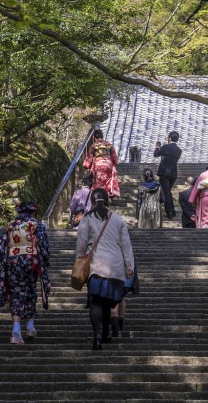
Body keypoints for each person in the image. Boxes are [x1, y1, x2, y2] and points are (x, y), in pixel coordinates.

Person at [76, 189, 134, 350]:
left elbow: (81, 242)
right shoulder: (117, 219)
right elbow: (126, 245)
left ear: (92, 202)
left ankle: (97, 337)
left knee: (96, 302)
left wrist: (80, 259)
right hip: (115, 266)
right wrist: (129, 267)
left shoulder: (87, 218)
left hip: (96, 265)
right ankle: (106, 333)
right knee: (108, 303)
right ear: (108, 201)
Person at [0, 201, 50, 344]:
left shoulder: (10, 226)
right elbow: (43, 246)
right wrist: (45, 263)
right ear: (32, 212)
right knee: (31, 291)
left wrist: (0, 265)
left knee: (15, 294)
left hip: (13, 264)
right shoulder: (37, 225)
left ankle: (16, 330)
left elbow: (2, 248)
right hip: (32, 263)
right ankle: (30, 326)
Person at [153, 131, 182, 219]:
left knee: (165, 192)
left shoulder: (165, 147)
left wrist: (158, 147)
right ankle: (172, 210)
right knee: (168, 191)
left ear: (169, 138)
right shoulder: (179, 150)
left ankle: (169, 212)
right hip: (173, 173)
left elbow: (156, 155)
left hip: (164, 173)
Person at [84, 129, 120, 199]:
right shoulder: (109, 145)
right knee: (107, 181)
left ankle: (98, 196)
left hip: (97, 164)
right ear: (102, 136)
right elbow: (114, 158)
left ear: (94, 138)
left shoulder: (94, 145)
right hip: (108, 164)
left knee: (98, 181)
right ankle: (107, 196)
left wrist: (87, 165)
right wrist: (114, 163)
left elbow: (89, 158)